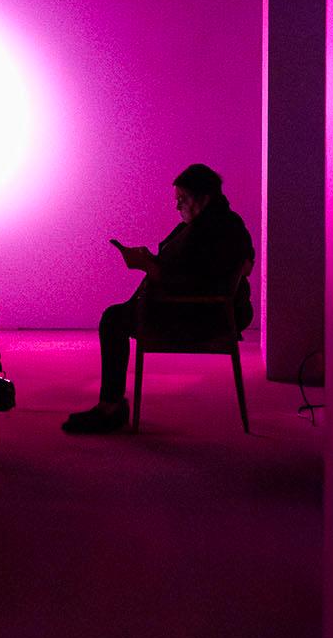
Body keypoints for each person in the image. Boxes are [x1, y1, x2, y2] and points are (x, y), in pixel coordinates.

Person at [63, 163, 255, 435]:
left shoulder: (213, 231)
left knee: (113, 320)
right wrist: (151, 263)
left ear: (204, 198)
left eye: (182, 199)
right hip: (191, 308)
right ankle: (110, 405)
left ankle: (110, 407)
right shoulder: (223, 224)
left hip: (196, 316)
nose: (177, 206)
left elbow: (196, 282)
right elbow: (201, 270)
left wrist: (149, 267)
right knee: (116, 317)